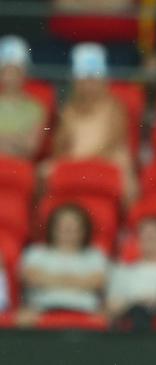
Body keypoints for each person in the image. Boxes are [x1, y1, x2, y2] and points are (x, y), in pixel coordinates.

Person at [48, 43, 137, 203]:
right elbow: (60, 145)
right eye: (84, 81)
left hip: (107, 157)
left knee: (128, 182)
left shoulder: (114, 106)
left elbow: (113, 140)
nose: (88, 86)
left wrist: (84, 160)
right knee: (45, 172)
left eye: (93, 80)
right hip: (74, 160)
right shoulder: (69, 110)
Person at [18, 204, 108, 326]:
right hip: (42, 309)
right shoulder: (36, 252)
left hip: (85, 310)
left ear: (83, 230)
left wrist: (49, 279)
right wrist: (78, 281)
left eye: (73, 226)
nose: (67, 230)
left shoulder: (94, 255)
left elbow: (97, 282)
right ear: (53, 227)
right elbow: (30, 278)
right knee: (23, 319)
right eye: (63, 225)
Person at [0, 35, 46, 160]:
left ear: (24, 72)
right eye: (6, 71)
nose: (10, 77)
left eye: (15, 71)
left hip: (18, 165)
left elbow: (31, 148)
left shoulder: (35, 107)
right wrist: (16, 139)